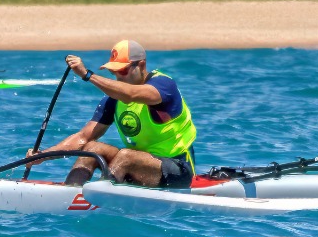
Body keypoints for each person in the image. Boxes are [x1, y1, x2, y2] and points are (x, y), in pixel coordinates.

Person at [34, 39, 198, 188]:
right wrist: (42, 156)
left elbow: (131, 94)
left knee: (126, 156)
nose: (118, 77)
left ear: (141, 65)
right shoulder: (113, 100)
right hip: (140, 166)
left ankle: (101, 194)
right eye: (114, 72)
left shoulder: (163, 86)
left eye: (123, 71)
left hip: (178, 171)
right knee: (92, 148)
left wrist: (87, 75)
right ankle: (69, 192)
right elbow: (83, 137)